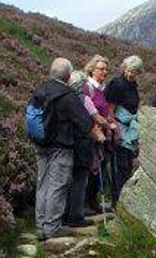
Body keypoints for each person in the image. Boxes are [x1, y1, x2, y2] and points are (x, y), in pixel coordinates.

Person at [30, 58, 92, 240]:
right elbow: (85, 123)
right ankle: (52, 228)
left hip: (40, 144)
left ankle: (40, 227)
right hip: (61, 147)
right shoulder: (68, 95)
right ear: (67, 76)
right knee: (58, 186)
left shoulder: (39, 90)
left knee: (42, 185)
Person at [64, 71, 103, 227]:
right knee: (80, 181)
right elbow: (95, 117)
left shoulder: (65, 98)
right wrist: (106, 126)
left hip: (66, 143)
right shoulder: (84, 99)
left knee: (67, 181)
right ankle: (76, 215)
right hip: (83, 144)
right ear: (81, 85)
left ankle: (64, 214)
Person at [105, 55, 144, 206]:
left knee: (127, 166)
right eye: (129, 70)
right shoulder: (117, 84)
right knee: (119, 167)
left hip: (130, 129)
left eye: (134, 71)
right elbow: (110, 109)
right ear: (124, 68)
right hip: (120, 128)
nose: (131, 74)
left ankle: (125, 201)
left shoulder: (133, 86)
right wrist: (113, 129)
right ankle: (117, 201)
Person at [82, 55, 116, 214]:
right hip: (92, 135)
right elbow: (87, 111)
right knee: (91, 168)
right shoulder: (87, 87)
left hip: (102, 135)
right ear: (92, 70)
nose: (105, 72)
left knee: (98, 168)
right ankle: (87, 204)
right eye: (101, 69)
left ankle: (93, 202)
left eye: (106, 69)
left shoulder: (102, 88)